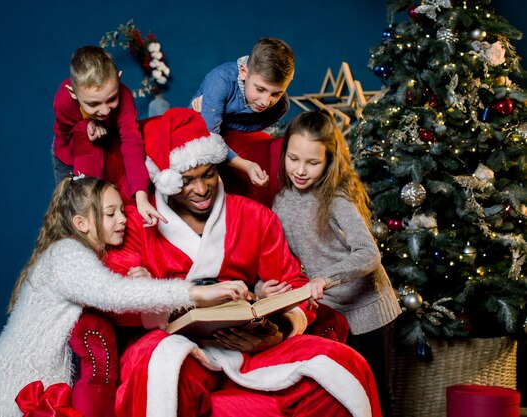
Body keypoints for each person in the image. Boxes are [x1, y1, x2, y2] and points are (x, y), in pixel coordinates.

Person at [103, 108, 382, 417]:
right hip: (177, 342)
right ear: (166, 180)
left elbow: (294, 283)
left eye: (208, 173)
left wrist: (278, 328)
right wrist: (150, 292)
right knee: (161, 366)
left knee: (342, 366)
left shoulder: (254, 215)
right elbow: (115, 295)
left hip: (250, 346)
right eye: (186, 180)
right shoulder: (135, 223)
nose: (201, 189)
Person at [0, 175, 249, 417]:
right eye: (111, 213)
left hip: (18, 384)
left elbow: (109, 290)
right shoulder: (67, 254)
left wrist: (140, 285)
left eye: (122, 211)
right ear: (81, 223)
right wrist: (198, 293)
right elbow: (113, 294)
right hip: (12, 390)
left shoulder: (75, 254)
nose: (124, 219)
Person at [270, 109, 402, 417]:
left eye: (313, 163)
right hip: (330, 315)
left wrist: (325, 279)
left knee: (374, 395)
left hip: (369, 313)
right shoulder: (281, 201)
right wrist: (270, 284)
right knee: (339, 396)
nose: (300, 170)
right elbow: (284, 255)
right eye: (293, 158)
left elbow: (369, 254)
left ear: (329, 160)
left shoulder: (336, 198)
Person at [52, 45, 165, 226]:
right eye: (93, 104)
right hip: (69, 154)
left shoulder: (125, 95)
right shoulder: (63, 102)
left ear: (118, 80)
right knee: (77, 213)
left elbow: (132, 144)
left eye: (112, 99)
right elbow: (64, 137)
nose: (105, 110)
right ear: (73, 93)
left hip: (111, 147)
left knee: (117, 204)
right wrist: (87, 124)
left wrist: (142, 198)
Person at [190, 37, 295, 205]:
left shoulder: (280, 106)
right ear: (244, 71)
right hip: (196, 136)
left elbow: (245, 127)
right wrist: (247, 165)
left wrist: (222, 121)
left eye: (276, 93)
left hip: (225, 134)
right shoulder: (220, 80)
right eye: (260, 89)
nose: (265, 101)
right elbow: (210, 141)